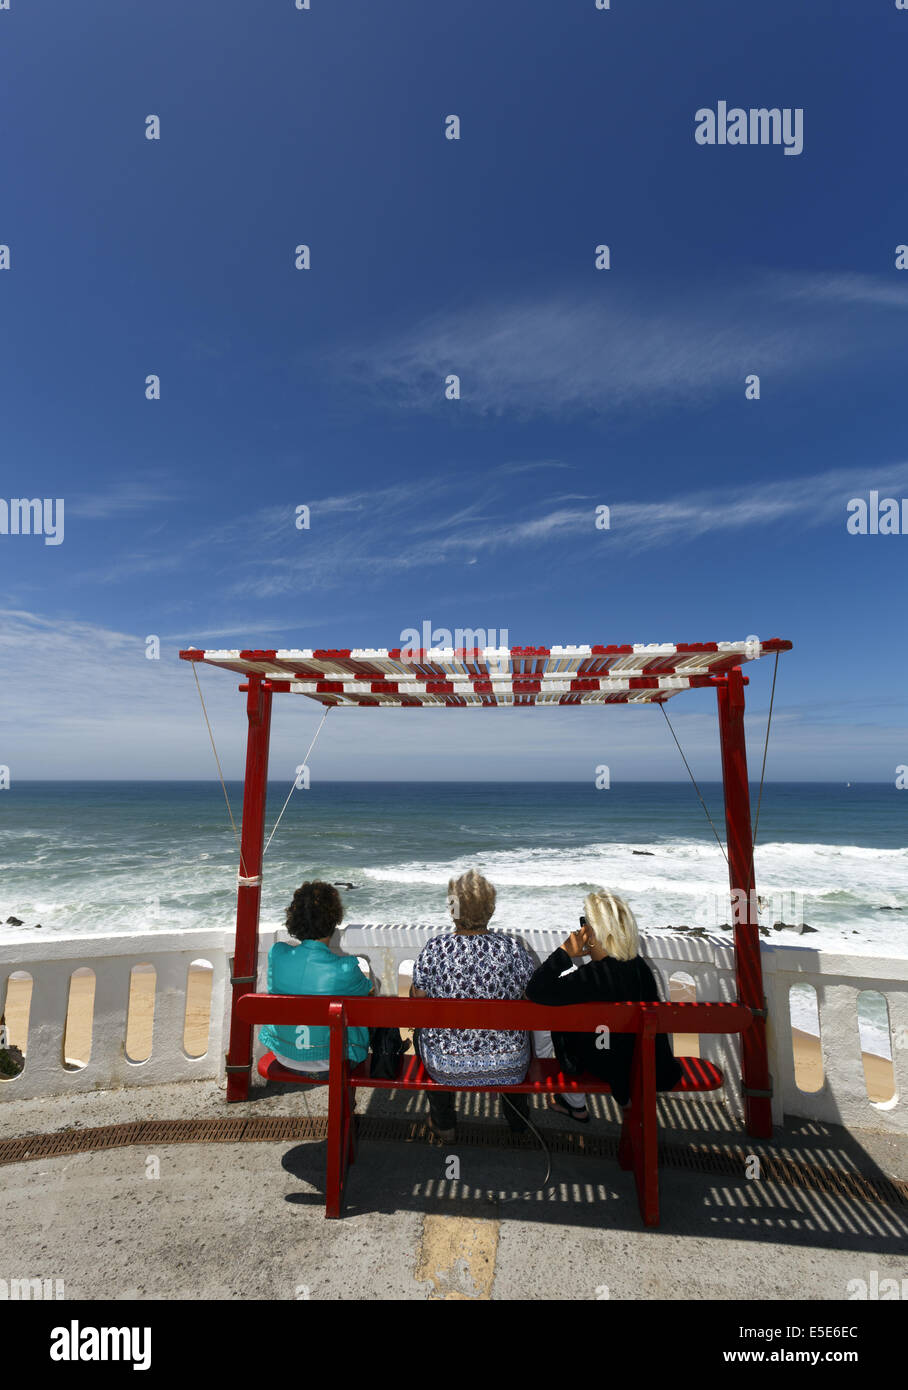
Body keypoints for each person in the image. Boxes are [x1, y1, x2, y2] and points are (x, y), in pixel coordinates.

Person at [525, 890, 682, 1114]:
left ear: (595, 933)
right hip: (647, 1064)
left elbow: (535, 990)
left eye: (584, 923)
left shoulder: (594, 976)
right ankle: (571, 1101)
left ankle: (572, 1100)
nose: (581, 929)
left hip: (611, 1068)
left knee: (557, 1019)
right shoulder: (640, 967)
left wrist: (565, 952)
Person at [410, 869, 536, 1142]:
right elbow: (530, 997)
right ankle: (518, 1122)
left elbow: (416, 1001)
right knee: (517, 1032)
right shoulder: (512, 949)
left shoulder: (435, 949)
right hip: (509, 1065)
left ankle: (444, 1124)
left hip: (446, 1066)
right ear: (490, 909)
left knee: (422, 1032)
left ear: (453, 909)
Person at [260, 881, 373, 1074]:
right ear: (334, 920)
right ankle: (347, 1100)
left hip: (284, 1055)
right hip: (334, 1061)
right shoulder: (345, 969)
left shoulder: (277, 954)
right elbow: (368, 992)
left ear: (294, 919)